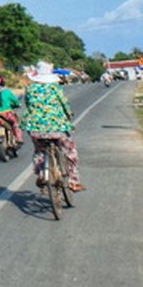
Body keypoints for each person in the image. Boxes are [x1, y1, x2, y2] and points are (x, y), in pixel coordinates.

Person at [23, 60, 85, 192]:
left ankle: (41, 173)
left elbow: (28, 105)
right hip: (57, 128)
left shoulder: (30, 89)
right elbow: (65, 105)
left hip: (35, 128)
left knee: (39, 150)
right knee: (70, 152)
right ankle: (74, 181)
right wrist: (68, 115)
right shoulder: (55, 88)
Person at [0, 75, 23, 146]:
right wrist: (18, 104)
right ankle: (19, 138)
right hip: (6, 113)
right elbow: (15, 101)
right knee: (15, 124)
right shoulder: (7, 92)